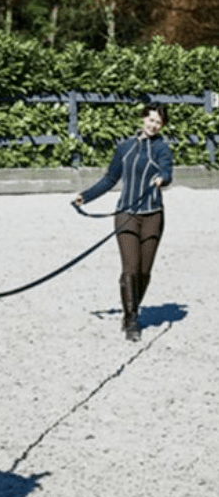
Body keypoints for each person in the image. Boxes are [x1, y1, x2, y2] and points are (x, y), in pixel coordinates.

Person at [72, 102, 173, 341]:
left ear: (163, 125)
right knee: (130, 267)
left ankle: (133, 308)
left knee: (143, 272)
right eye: (150, 120)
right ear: (143, 119)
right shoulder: (125, 147)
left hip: (153, 215)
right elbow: (110, 178)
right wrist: (85, 196)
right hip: (126, 214)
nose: (153, 125)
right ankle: (131, 319)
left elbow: (168, 172)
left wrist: (162, 179)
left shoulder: (162, 148)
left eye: (158, 122)